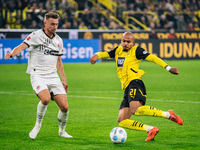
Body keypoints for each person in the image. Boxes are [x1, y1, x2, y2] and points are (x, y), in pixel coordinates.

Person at [90, 32, 183, 141]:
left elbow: (153, 58)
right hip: (126, 88)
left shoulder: (136, 51)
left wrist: (168, 68)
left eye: (128, 42)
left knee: (136, 110)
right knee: (122, 121)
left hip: (135, 83)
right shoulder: (118, 50)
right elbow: (106, 54)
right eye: (123, 41)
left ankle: (168, 114)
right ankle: (150, 129)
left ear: (133, 42)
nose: (125, 44)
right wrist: (96, 54)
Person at [4, 12, 72, 139]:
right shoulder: (36, 35)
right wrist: (12, 54)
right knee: (45, 99)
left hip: (53, 75)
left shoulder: (58, 40)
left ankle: (62, 132)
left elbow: (59, 61)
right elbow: (21, 46)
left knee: (65, 107)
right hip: (38, 74)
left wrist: (64, 79)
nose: (55, 27)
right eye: (52, 24)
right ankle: (37, 126)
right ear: (45, 23)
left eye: (56, 24)